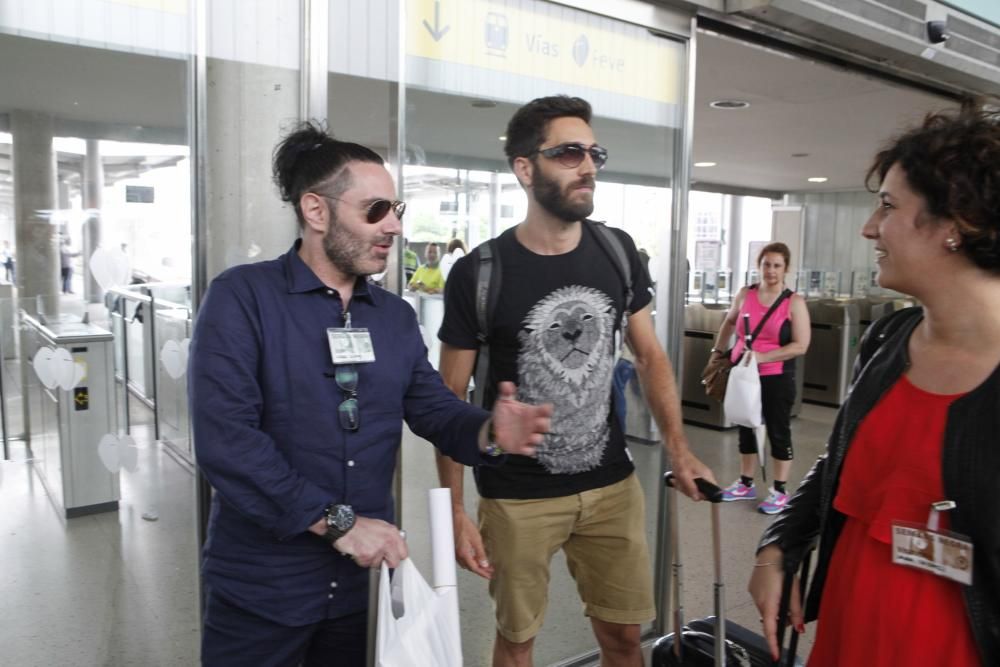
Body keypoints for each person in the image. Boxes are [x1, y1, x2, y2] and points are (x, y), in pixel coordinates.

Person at [188, 122, 553, 667]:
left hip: (364, 593)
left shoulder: (393, 317)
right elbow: (228, 443)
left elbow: (431, 406)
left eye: (397, 210)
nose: (394, 228)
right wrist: (340, 524)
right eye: (376, 210)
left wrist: (489, 431)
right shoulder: (243, 298)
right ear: (316, 211)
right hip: (265, 590)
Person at [436, 95, 715, 667]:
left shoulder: (616, 253)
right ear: (524, 168)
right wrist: (455, 511)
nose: (587, 166)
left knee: (623, 639)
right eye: (568, 153)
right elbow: (447, 400)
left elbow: (651, 357)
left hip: (613, 486)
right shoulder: (480, 272)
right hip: (516, 496)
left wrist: (681, 450)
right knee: (518, 641)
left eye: (594, 153)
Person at [748, 106, 1000, 666]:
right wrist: (781, 543)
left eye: (888, 206)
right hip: (849, 626)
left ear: (957, 222)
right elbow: (841, 460)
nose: (869, 227)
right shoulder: (889, 338)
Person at [708, 242, 810, 514]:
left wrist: (763, 358)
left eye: (777, 265)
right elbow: (730, 322)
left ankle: (779, 489)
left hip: (776, 376)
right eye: (766, 264)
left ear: (786, 269)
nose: (771, 270)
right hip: (743, 374)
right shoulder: (745, 294)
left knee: (777, 430)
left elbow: (801, 345)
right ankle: (745, 483)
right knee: (745, 426)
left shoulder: (794, 302)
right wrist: (718, 351)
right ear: (759, 266)